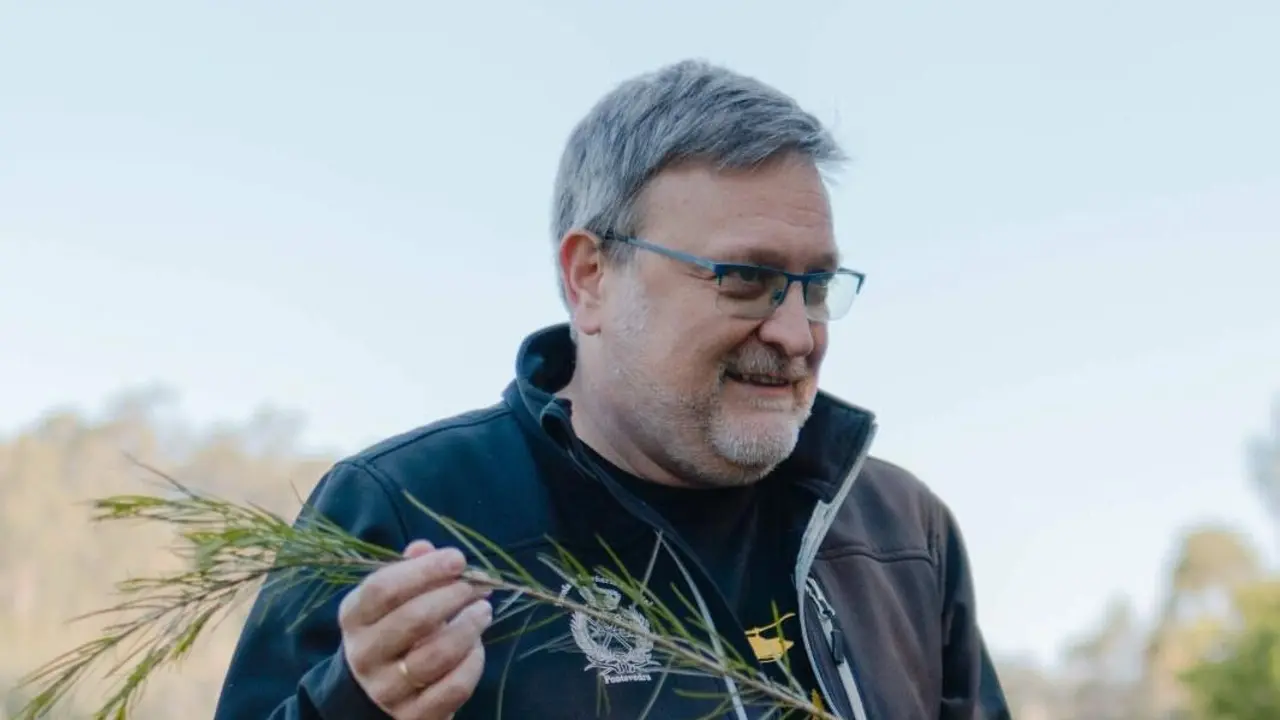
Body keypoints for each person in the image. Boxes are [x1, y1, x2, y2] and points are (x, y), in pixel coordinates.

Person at [212, 59, 1011, 720]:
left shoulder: (905, 536)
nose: (797, 334)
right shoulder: (404, 513)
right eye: (746, 279)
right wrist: (348, 708)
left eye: (816, 285)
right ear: (590, 276)